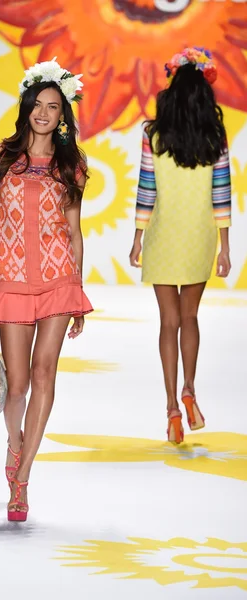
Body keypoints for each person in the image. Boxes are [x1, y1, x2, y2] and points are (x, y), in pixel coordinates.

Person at [0, 58, 93, 521]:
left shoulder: (71, 164)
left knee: (44, 377)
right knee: (16, 386)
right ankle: (13, 445)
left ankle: (21, 481)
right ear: (26, 108)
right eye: (37, 105)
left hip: (59, 279)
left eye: (53, 107)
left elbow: (75, 230)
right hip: (13, 280)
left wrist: (77, 290)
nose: (44, 113)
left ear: (63, 116)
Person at [129, 47, 231, 444]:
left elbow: (146, 190)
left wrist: (138, 237)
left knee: (167, 323)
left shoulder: (152, 135)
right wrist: (224, 245)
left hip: (163, 235)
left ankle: (172, 406)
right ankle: (190, 389)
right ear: (205, 94)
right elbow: (220, 193)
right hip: (199, 237)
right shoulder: (215, 137)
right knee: (190, 319)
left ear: (171, 90)